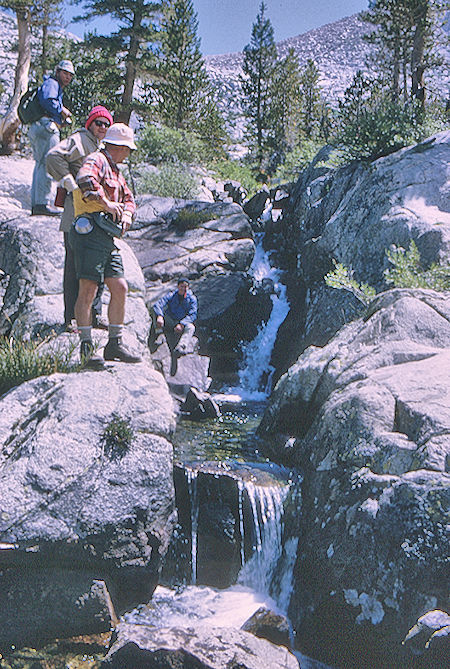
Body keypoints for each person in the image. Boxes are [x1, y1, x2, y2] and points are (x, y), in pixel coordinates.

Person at [70, 122, 141, 365]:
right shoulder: (97, 160)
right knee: (88, 288)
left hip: (106, 237)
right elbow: (84, 178)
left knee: (119, 286)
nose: (129, 153)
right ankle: (86, 347)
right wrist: (106, 203)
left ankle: (114, 343)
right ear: (118, 146)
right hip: (89, 232)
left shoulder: (117, 172)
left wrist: (127, 215)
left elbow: (129, 198)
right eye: (127, 148)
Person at [46, 105, 114, 331]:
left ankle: (93, 314)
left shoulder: (99, 146)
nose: (102, 127)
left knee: (97, 266)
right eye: (99, 123)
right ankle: (70, 318)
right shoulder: (80, 140)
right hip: (75, 213)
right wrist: (67, 180)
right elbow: (53, 156)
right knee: (74, 267)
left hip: (95, 215)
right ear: (90, 124)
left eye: (106, 124)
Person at [29, 59, 75, 216]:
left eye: (70, 75)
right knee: (47, 165)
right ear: (58, 72)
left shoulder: (51, 84)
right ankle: (42, 204)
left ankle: (37, 204)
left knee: (40, 165)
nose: (67, 77)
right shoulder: (52, 84)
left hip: (40, 126)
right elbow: (48, 100)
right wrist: (62, 110)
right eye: (65, 73)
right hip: (46, 128)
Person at [153, 278, 197, 357]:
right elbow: (158, 304)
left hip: (181, 322)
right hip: (170, 320)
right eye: (181, 286)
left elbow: (193, 314)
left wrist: (182, 324)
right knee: (155, 312)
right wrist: (160, 316)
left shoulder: (192, 299)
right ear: (178, 286)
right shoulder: (171, 295)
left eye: (185, 287)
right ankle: (158, 333)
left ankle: (181, 346)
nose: (183, 289)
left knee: (191, 327)